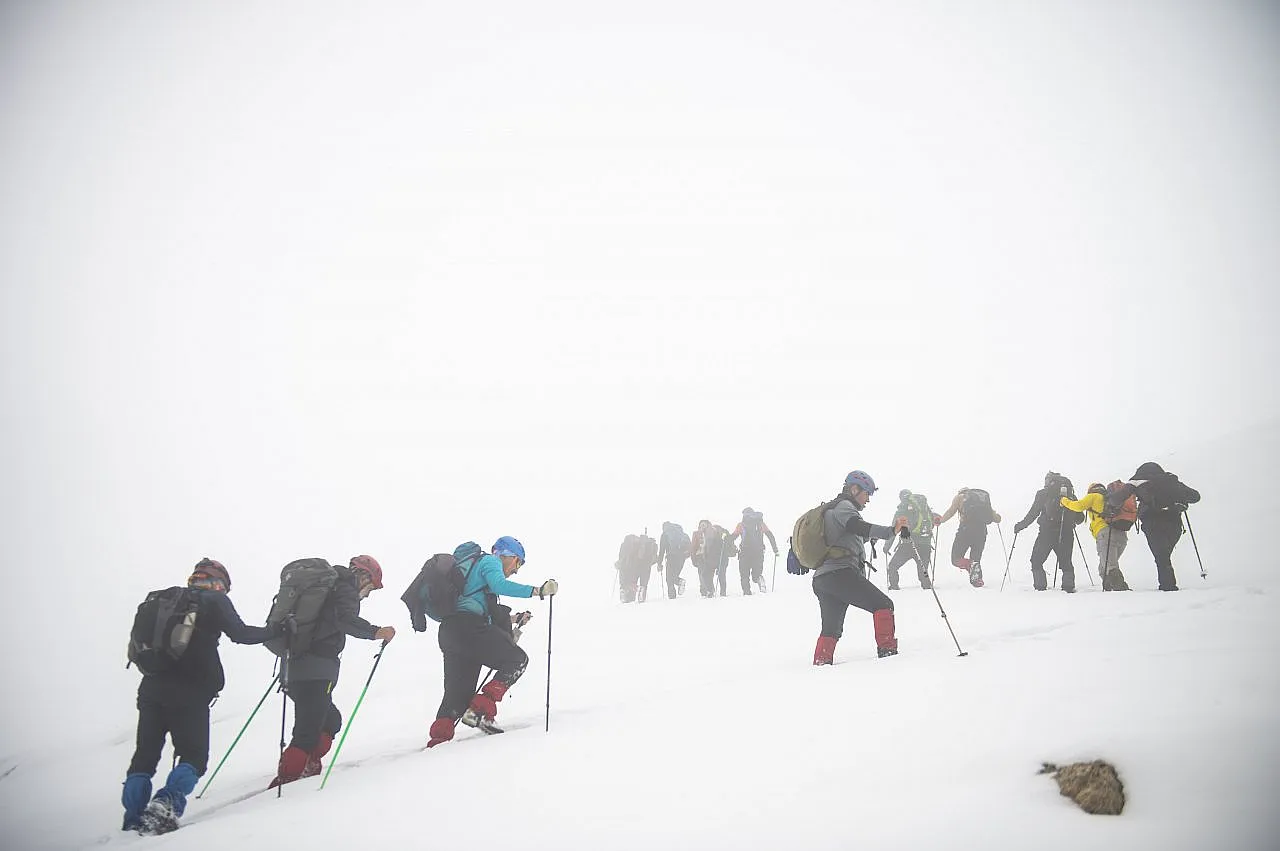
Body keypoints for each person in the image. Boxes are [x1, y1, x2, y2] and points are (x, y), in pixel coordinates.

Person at [122, 559, 281, 834]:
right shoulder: (213, 600)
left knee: (145, 756)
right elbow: (240, 634)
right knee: (194, 757)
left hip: (151, 688)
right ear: (219, 583)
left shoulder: (164, 600)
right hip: (190, 690)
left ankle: (133, 818)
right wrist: (277, 629)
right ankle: (165, 805)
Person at [270, 555, 395, 788]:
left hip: (293, 667)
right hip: (316, 671)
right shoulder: (344, 589)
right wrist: (376, 631)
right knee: (307, 732)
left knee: (331, 720)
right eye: (370, 587)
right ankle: (285, 783)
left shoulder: (325, 589)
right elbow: (345, 620)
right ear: (363, 576)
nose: (367, 594)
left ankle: (308, 763)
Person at [427, 537, 558, 747]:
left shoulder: (472, 572)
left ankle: (438, 741)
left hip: (451, 631)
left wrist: (513, 620)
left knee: (458, 692)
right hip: (470, 628)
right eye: (518, 563)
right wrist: (537, 591)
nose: (516, 570)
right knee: (517, 659)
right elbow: (500, 585)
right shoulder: (490, 561)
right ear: (509, 555)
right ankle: (479, 711)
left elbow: (478, 608)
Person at [812, 470, 909, 665]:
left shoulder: (831, 512)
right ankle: (888, 654)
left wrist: (872, 536)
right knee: (883, 605)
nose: (868, 499)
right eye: (867, 493)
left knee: (831, 628)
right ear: (854, 489)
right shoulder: (844, 507)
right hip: (840, 574)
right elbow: (858, 527)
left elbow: (852, 536)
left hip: (823, 579)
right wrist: (891, 531)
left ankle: (821, 663)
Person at [1129, 462, 1201, 591]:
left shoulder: (1140, 483)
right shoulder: (1171, 482)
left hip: (1152, 523)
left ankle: (1168, 586)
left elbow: (1121, 498)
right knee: (1163, 555)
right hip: (1174, 523)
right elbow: (1195, 497)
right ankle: (1167, 584)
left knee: (1161, 556)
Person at [1012, 472, 1084, 592]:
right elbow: (1080, 518)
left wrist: (1020, 526)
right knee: (1066, 562)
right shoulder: (1070, 495)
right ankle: (1068, 587)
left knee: (1036, 560)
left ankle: (1040, 588)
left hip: (1046, 533)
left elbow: (1033, 513)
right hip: (1066, 533)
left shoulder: (1043, 494)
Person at [1060, 483, 1131, 591]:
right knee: (1103, 568)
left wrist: (1064, 501)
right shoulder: (1112, 499)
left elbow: (1078, 506)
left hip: (1105, 534)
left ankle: (1121, 591)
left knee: (1110, 567)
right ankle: (1109, 589)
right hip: (1121, 535)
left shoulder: (1094, 496)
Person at [936, 487, 1003, 587]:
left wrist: (940, 520)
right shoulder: (982, 501)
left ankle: (969, 564)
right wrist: (997, 517)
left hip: (966, 530)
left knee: (956, 558)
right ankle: (977, 580)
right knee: (976, 559)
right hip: (981, 531)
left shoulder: (960, 497)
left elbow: (951, 512)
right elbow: (996, 518)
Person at [884, 490, 941, 590]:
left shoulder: (902, 510)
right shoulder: (924, 508)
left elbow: (894, 529)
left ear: (901, 498)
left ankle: (894, 587)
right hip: (925, 544)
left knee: (892, 567)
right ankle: (927, 589)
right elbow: (934, 520)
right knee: (923, 572)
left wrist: (887, 547)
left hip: (908, 545)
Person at [730, 508, 779, 594]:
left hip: (744, 553)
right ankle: (759, 578)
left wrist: (725, 539)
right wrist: (775, 550)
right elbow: (770, 535)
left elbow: (733, 537)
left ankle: (746, 592)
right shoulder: (760, 524)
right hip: (758, 552)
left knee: (744, 574)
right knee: (756, 574)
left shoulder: (741, 525)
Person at [615, 533, 658, 603]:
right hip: (646, 566)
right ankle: (641, 594)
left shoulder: (629, 544)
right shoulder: (651, 545)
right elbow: (655, 559)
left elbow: (623, 557)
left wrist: (620, 563)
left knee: (632, 582)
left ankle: (628, 596)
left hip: (635, 565)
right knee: (644, 583)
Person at [656, 521, 691, 599]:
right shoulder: (682, 533)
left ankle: (672, 597)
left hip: (671, 557)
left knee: (669, 578)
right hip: (682, 557)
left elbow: (662, 550)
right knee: (674, 576)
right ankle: (679, 581)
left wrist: (659, 563)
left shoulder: (665, 535)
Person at [710, 523, 736, 596]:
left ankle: (715, 591)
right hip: (723, 558)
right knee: (722, 575)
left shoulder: (722, 534)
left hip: (720, 558)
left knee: (717, 575)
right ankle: (722, 592)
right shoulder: (724, 533)